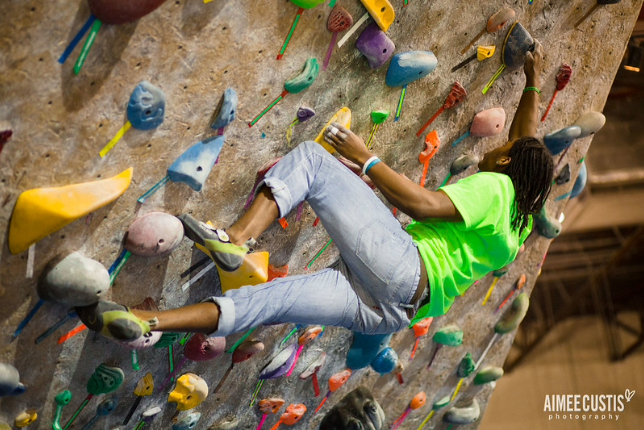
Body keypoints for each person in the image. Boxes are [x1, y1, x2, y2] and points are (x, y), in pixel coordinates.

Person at [76, 42, 553, 342]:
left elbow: (420, 203)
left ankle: (236, 239)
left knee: (312, 160)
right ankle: (147, 324)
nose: (499, 148)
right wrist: (531, 81)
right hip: (393, 313)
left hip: (403, 270)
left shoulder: (498, 188)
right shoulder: (521, 220)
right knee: (267, 304)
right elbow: (526, 143)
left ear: (508, 162)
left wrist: (366, 158)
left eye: (504, 149)